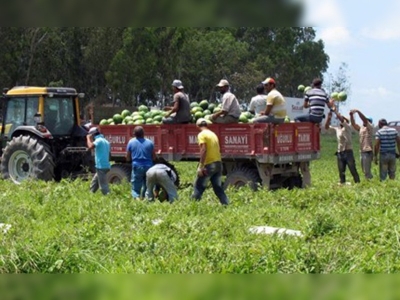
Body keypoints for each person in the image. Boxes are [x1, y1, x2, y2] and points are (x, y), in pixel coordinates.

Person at [192, 118, 229, 205]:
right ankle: (226, 204)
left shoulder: (201, 135)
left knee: (199, 186)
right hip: (218, 163)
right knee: (218, 188)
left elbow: (203, 150)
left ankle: (192, 207)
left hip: (209, 164)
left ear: (197, 126)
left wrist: (201, 166)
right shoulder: (213, 134)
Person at [325, 109, 360, 185]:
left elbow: (341, 119)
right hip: (340, 152)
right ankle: (342, 183)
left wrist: (335, 111)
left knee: (352, 169)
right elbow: (327, 127)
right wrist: (329, 117)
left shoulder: (347, 127)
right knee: (341, 171)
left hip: (348, 152)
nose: (341, 121)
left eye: (343, 120)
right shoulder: (338, 129)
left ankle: (358, 183)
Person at [126, 126, 156, 199]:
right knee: (147, 184)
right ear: (143, 133)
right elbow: (154, 157)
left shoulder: (131, 142)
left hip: (137, 166)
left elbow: (128, 157)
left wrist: (129, 160)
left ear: (134, 134)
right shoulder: (150, 142)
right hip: (149, 166)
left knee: (135, 185)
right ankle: (145, 198)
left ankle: (137, 198)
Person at [349, 109, 374, 179]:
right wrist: (351, 116)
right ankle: (369, 179)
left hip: (367, 151)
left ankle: (369, 181)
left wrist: (358, 111)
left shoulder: (370, 127)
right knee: (364, 169)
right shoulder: (361, 129)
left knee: (367, 170)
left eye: (366, 120)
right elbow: (353, 124)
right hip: (362, 151)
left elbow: (364, 120)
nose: (364, 121)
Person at [86, 127, 111, 195]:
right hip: (105, 165)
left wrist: (88, 138)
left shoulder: (99, 140)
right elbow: (109, 154)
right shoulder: (106, 141)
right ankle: (90, 194)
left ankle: (108, 196)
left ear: (93, 134)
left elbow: (90, 146)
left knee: (103, 186)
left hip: (101, 166)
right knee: (94, 182)